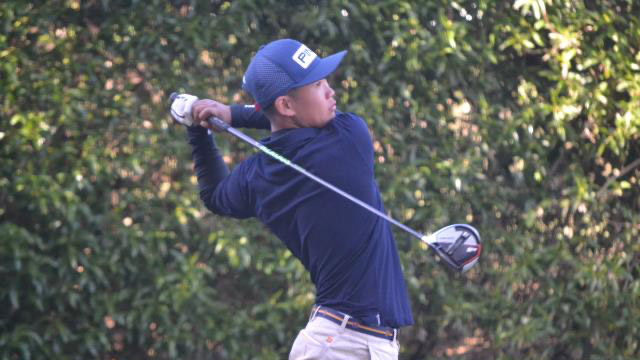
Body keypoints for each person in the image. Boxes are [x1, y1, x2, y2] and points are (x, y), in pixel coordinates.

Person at [179, 39, 413, 359]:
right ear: (287, 105)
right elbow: (279, 118)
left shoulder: (256, 175)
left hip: (341, 341)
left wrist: (198, 129)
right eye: (318, 84)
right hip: (343, 343)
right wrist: (232, 114)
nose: (331, 92)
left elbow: (215, 195)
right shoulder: (349, 139)